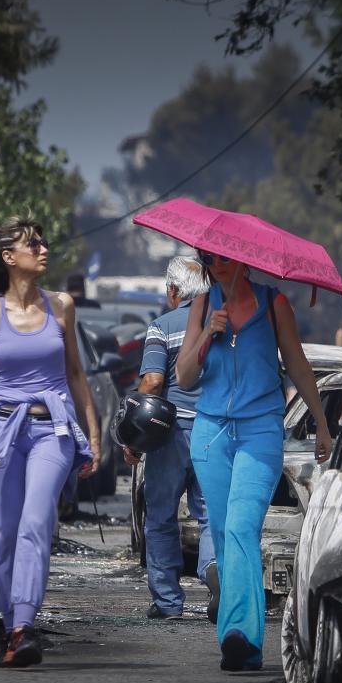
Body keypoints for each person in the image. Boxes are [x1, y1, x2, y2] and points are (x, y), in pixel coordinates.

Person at [0, 217, 100, 669]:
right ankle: (11, 629)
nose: (44, 249)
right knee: (5, 532)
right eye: (34, 244)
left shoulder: (62, 306)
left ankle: (24, 625)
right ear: (9, 257)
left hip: (53, 430)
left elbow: (76, 374)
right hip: (1, 430)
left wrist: (95, 433)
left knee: (35, 522)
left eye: (45, 242)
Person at [177, 251, 332, 672]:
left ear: (243, 260)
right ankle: (238, 636)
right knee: (225, 536)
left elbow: (297, 364)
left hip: (260, 430)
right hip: (210, 434)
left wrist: (321, 423)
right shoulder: (203, 305)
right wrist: (208, 332)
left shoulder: (274, 303)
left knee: (241, 526)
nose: (216, 262)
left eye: (224, 256)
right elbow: (184, 377)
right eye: (208, 257)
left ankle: (239, 634)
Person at [122, 256, 219, 622]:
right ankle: (214, 575)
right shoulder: (219, 325)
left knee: (160, 517)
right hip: (214, 433)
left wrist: (132, 438)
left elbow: (152, 384)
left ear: (174, 291)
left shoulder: (162, 327)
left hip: (170, 435)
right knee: (211, 517)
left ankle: (167, 603)